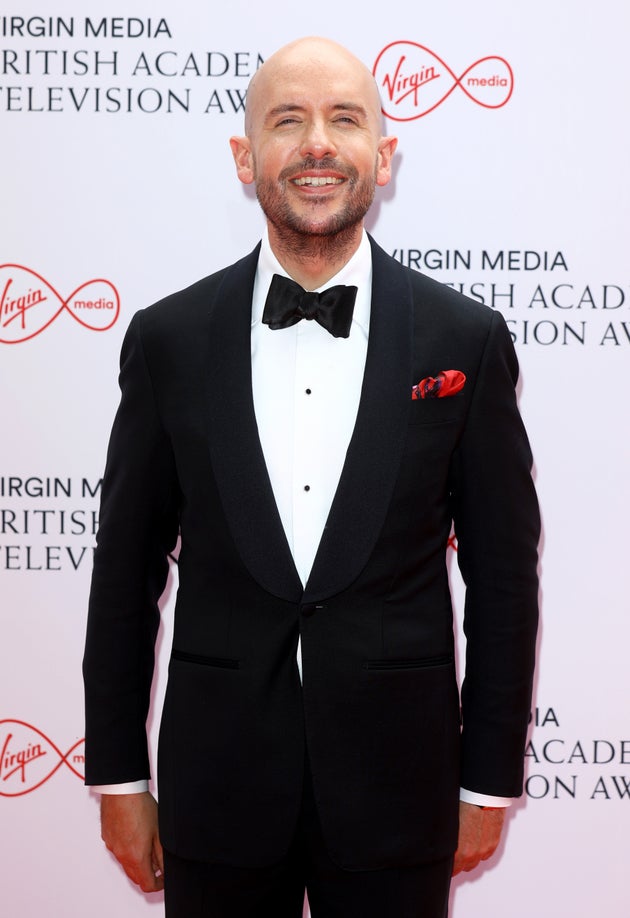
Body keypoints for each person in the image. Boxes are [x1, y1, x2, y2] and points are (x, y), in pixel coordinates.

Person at [83, 36, 540, 918]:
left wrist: (486, 785)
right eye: (288, 121)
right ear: (245, 158)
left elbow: (504, 581)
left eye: (346, 119)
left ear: (385, 154)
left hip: (400, 793)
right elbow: (122, 573)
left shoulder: (465, 342)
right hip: (215, 790)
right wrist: (118, 775)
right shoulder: (167, 339)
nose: (318, 144)